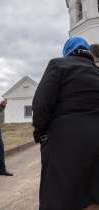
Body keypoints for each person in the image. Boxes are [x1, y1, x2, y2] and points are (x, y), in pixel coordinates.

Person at [32, 37, 99, 210]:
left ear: (67, 52)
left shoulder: (58, 65)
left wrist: (40, 132)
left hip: (64, 141)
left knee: (60, 196)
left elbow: (41, 104)